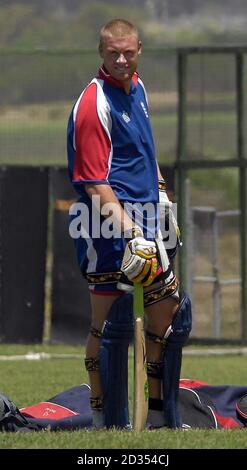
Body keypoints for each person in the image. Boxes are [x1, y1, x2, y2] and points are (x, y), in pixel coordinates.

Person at [67, 18, 192, 429]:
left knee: (170, 315)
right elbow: (95, 185)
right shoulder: (93, 103)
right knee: (110, 321)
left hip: (146, 217)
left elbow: (145, 150)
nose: (121, 59)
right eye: (112, 53)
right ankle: (108, 421)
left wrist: (162, 197)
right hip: (106, 224)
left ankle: (159, 418)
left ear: (140, 48)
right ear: (100, 52)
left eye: (128, 51)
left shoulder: (138, 88)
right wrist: (133, 234)